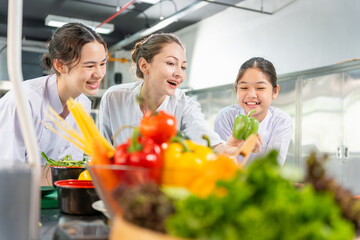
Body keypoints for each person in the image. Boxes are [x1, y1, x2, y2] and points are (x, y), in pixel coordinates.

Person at [99, 33, 248, 154]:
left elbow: (205, 139)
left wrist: (231, 148)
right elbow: (102, 151)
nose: (179, 74)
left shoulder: (184, 105)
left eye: (183, 67)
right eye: (171, 63)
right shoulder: (114, 97)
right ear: (144, 65)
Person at [0, 22, 108, 165]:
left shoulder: (83, 104)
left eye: (102, 64)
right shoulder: (22, 103)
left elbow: (70, 167)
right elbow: (8, 173)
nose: (100, 74)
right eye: (89, 66)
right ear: (60, 66)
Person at [214, 57, 293, 165]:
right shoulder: (225, 116)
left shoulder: (281, 121)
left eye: (260, 88)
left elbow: (273, 166)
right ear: (236, 89)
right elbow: (220, 163)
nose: (251, 95)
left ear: (275, 91)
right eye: (244, 88)